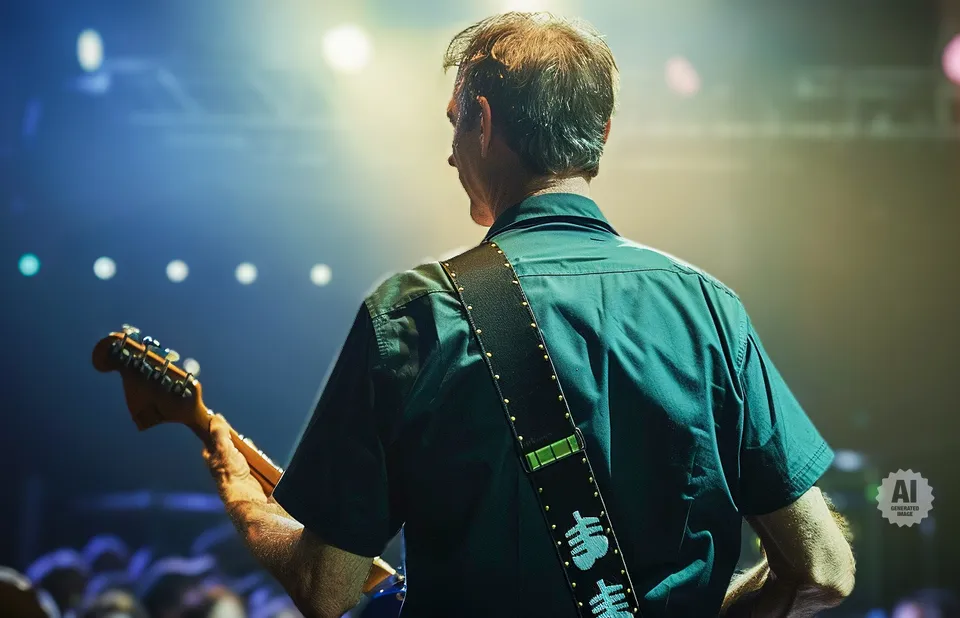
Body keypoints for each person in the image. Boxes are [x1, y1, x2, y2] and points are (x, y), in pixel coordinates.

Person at [202, 11, 855, 617]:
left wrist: (240, 494)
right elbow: (824, 570)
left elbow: (327, 586)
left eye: (454, 122)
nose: (451, 154)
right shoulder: (709, 312)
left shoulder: (416, 314)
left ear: (482, 123)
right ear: (602, 133)